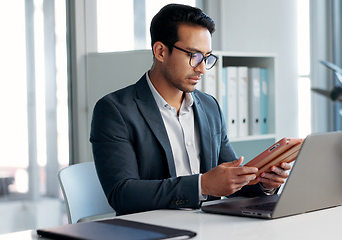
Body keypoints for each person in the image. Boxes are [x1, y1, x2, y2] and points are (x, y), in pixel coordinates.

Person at [90, 3, 291, 216]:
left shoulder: (209, 106)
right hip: (155, 229)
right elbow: (122, 195)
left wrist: (264, 183)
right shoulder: (114, 110)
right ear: (160, 51)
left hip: (210, 225)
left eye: (206, 57)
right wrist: (202, 185)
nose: (202, 68)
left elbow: (229, 182)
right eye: (193, 55)